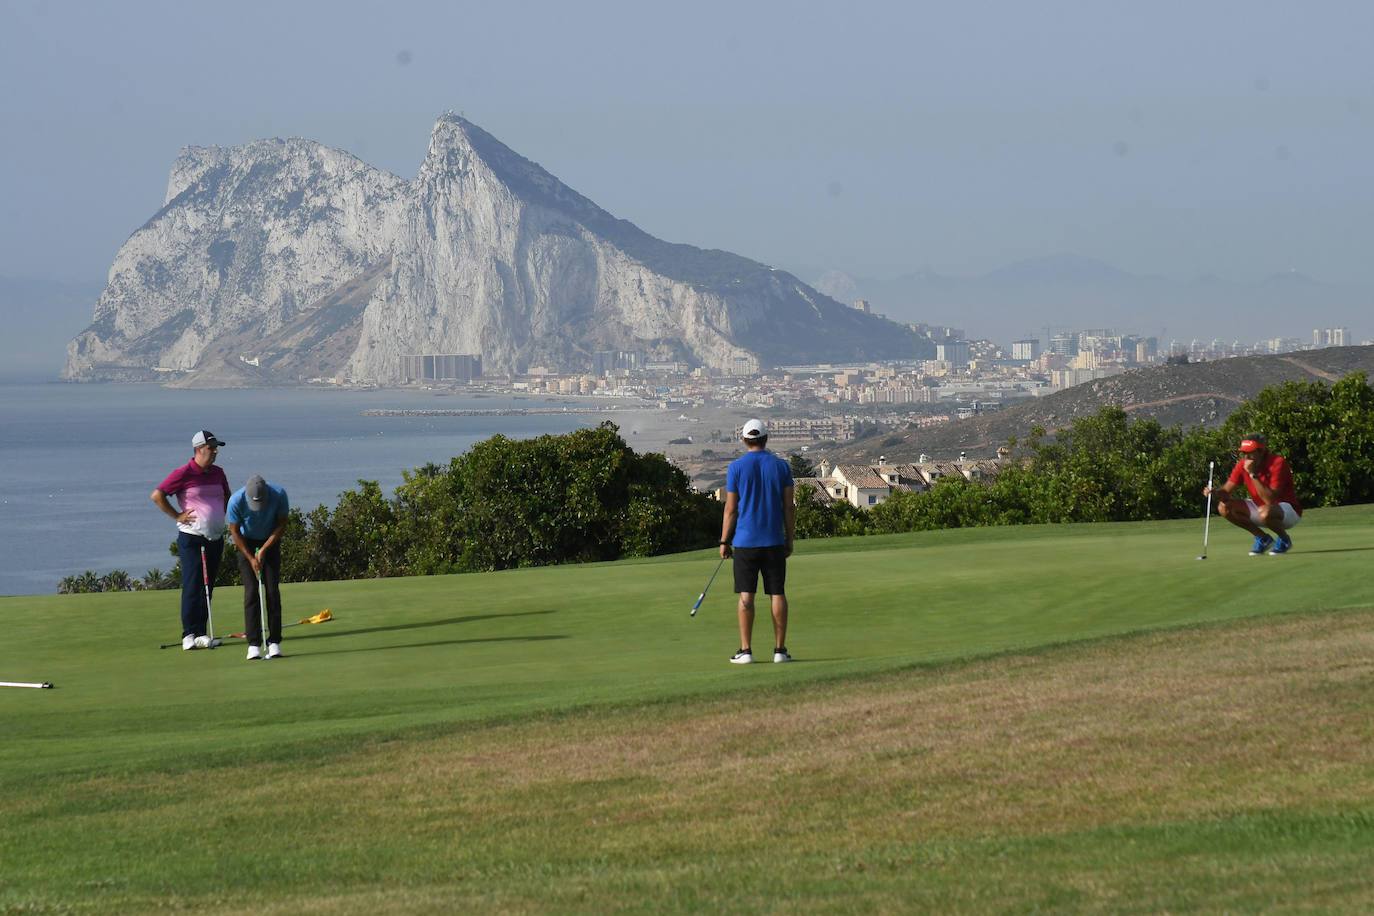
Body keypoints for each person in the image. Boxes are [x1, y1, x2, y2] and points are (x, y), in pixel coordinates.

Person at [719, 418, 795, 664]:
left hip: (745, 542)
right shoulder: (781, 466)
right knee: (777, 593)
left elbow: (730, 509)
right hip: (773, 540)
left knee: (746, 596)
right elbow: (788, 508)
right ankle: (780, 651)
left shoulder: (736, 468)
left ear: (744, 440)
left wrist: (723, 541)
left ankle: (746, 651)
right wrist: (790, 538)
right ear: (766, 439)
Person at [151, 430, 231, 650]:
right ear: (198, 449)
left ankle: (202, 633)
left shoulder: (218, 473)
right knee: (193, 584)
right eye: (211, 448)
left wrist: (221, 516)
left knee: (208, 587)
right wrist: (177, 515)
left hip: (215, 538)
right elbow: (158, 495)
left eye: (216, 448)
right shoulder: (184, 473)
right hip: (192, 538)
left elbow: (227, 496)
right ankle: (189, 634)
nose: (215, 452)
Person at [1204, 432, 1303, 556]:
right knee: (1224, 507)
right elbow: (1225, 492)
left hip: (1288, 511)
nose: (1246, 457)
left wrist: (1252, 474)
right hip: (1262, 509)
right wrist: (1214, 493)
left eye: (1250, 452)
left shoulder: (1278, 463)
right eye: (1244, 453)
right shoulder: (1242, 465)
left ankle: (1284, 540)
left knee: (1265, 512)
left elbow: (1269, 500)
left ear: (1261, 451)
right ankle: (1263, 539)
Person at [227, 475, 291, 660]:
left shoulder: (279, 494)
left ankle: (274, 643)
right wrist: (251, 557)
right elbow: (235, 531)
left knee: (272, 591)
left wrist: (264, 550)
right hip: (246, 543)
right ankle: (253, 644)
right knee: (251, 592)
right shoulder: (236, 500)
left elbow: (282, 524)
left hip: (270, 541)